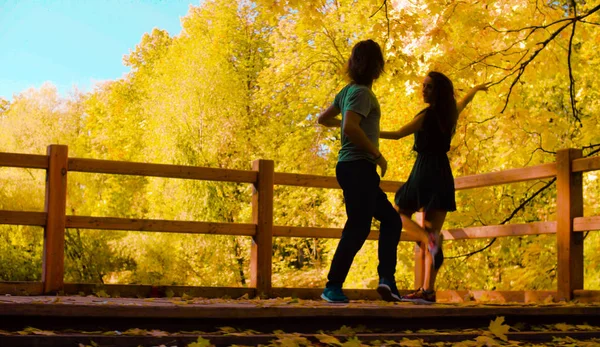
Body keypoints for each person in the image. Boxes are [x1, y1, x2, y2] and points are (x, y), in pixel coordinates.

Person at [381, 71, 488, 304]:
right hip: (443, 173)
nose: (424, 90)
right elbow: (463, 103)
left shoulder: (427, 115)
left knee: (398, 212)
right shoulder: (449, 115)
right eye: (424, 86)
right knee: (433, 234)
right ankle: (428, 291)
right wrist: (475, 90)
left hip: (424, 169)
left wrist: (369, 133)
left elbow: (399, 134)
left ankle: (426, 242)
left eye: (429, 87)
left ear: (438, 91)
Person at [317, 39, 403, 303]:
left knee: (390, 220)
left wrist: (346, 120)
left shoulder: (347, 92)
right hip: (358, 167)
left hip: (351, 168)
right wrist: (377, 154)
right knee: (359, 226)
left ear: (353, 65)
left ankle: (387, 281)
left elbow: (323, 119)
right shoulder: (363, 94)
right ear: (378, 66)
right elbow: (351, 128)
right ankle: (332, 286)